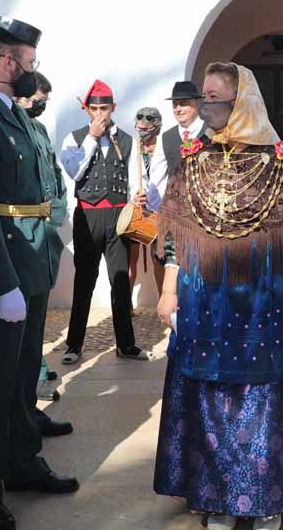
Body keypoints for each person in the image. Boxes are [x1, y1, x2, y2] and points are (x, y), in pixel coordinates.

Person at [153, 62, 283, 530]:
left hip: (264, 300)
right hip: (204, 302)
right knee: (210, 395)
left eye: (215, 96)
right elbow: (174, 238)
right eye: (204, 97)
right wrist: (169, 292)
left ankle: (268, 498)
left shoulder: (281, 167)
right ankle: (215, 496)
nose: (205, 105)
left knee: (264, 396)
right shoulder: (191, 163)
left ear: (241, 102)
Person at [0, 11, 77, 530]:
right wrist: (1, 277)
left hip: (32, 259)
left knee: (21, 377)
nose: (35, 70)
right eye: (31, 61)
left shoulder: (18, 116)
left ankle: (21, 460)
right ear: (10, 62)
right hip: (7, 265)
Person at [59, 80, 150, 364]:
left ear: (113, 108)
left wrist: (140, 196)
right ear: (86, 109)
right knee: (84, 282)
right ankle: (74, 345)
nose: (99, 113)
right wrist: (91, 137)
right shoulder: (74, 138)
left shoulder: (127, 140)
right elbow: (73, 170)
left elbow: (137, 180)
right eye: (94, 108)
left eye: (105, 108)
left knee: (120, 281)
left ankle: (126, 344)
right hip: (88, 216)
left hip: (119, 217)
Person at [16, 72, 73, 430]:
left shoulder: (36, 130)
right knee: (18, 341)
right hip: (20, 241)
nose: (43, 103)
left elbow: (52, 173)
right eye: (40, 96)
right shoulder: (6, 124)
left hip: (42, 240)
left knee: (34, 332)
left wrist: (55, 213)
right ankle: (20, 415)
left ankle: (29, 408)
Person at [148, 81, 204, 210]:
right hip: (177, 212)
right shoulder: (166, 137)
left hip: (206, 211)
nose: (178, 109)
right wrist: (154, 210)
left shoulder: (210, 132)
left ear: (197, 103)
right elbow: (158, 177)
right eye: (175, 105)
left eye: (183, 104)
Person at [130, 105, 164, 293]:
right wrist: (133, 195)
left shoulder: (164, 147)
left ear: (156, 126)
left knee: (159, 257)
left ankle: (163, 302)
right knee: (129, 258)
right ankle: (124, 307)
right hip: (136, 209)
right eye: (139, 121)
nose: (142, 125)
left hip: (159, 211)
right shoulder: (130, 147)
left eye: (148, 122)